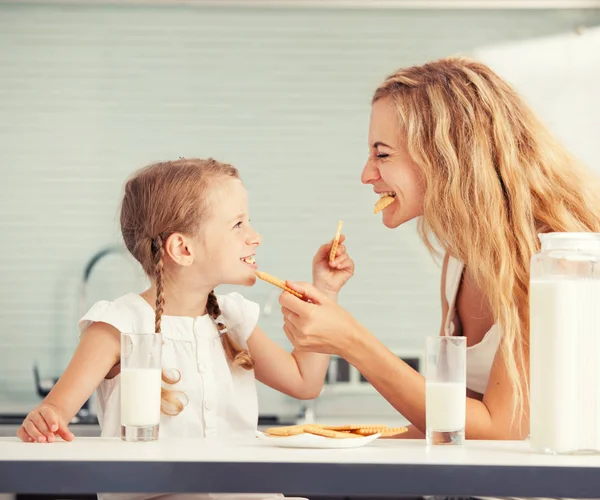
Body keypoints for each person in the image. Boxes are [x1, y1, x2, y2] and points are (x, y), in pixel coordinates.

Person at [279, 56, 600, 440]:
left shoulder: (557, 261)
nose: (367, 174)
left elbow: (502, 428)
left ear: (447, 158)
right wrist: (339, 441)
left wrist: (351, 342)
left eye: (382, 154)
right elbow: (451, 423)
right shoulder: (460, 262)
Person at [17, 158, 354, 500]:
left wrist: (325, 292)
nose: (255, 237)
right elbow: (56, 411)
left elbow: (304, 381)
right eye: (238, 224)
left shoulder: (232, 319)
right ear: (183, 248)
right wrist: (45, 418)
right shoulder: (120, 324)